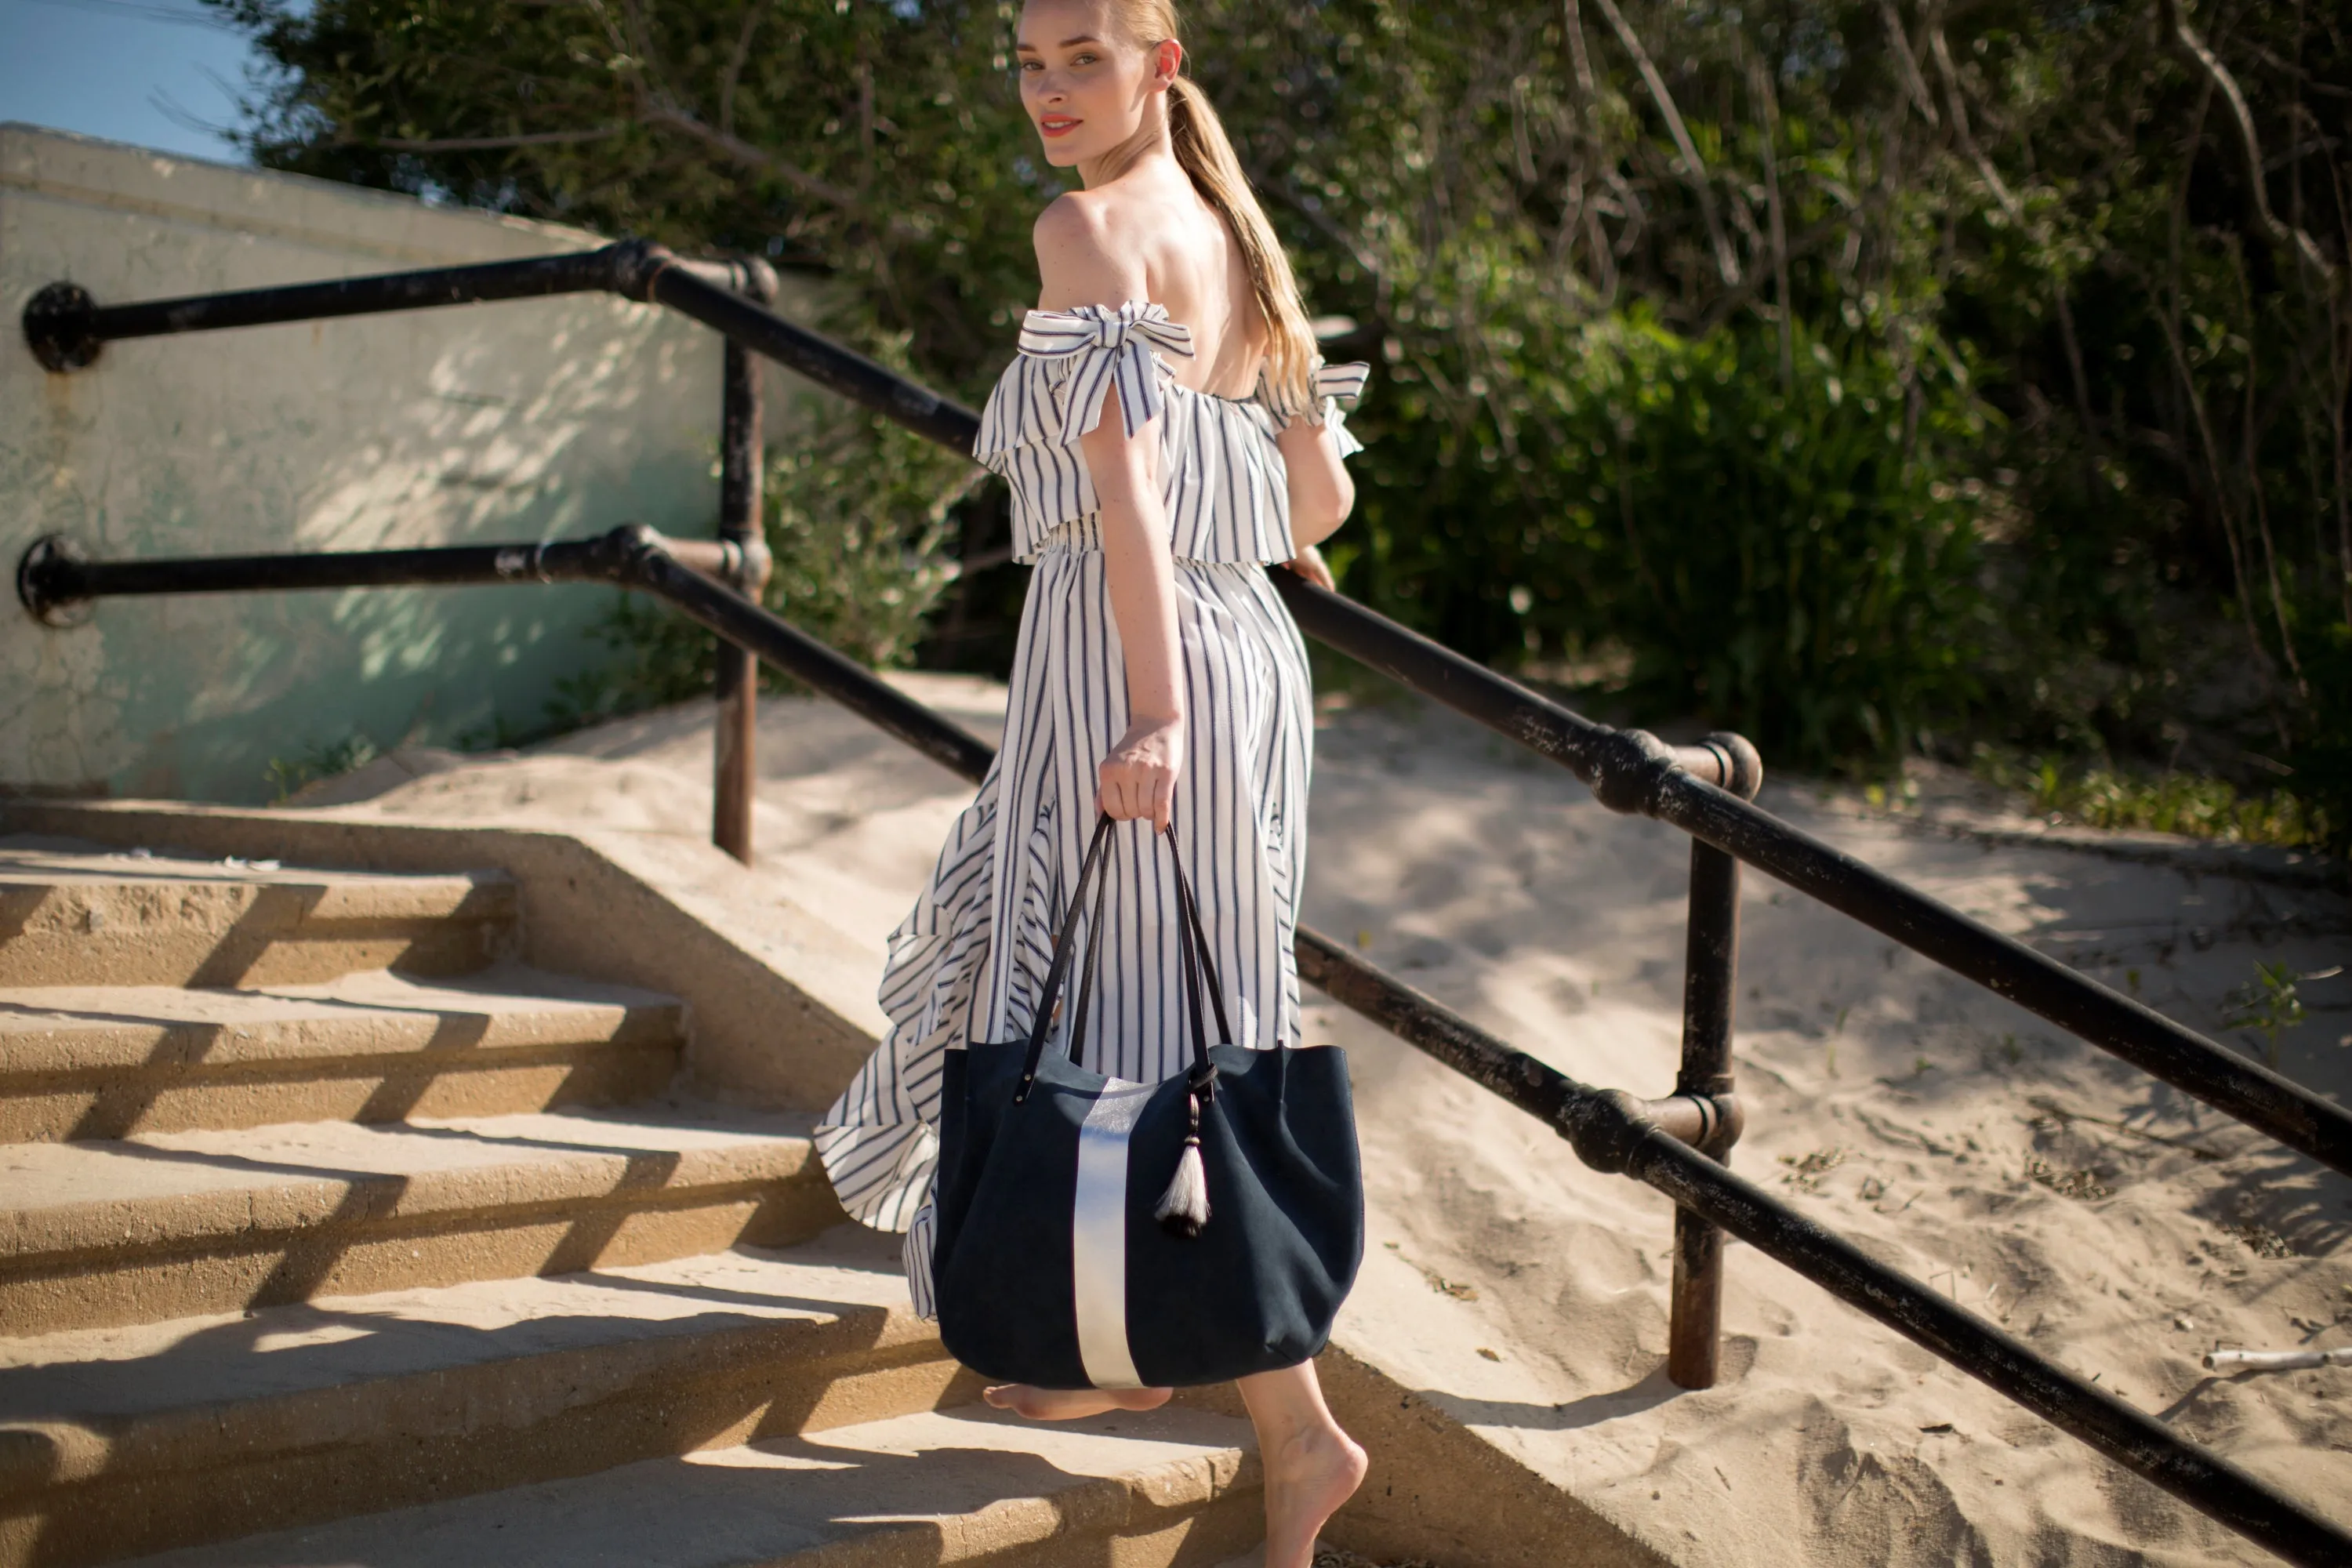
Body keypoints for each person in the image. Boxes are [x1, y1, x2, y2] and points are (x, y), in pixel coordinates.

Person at [815, 0, 1370, 1559]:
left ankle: (1169, 1376)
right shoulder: (1236, 241)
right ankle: (1202, 1390)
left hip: (1133, 671)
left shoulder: (1082, 230)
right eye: (1029, 60)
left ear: (1159, 63)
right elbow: (1315, 495)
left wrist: (1152, 712)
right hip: (1247, 655)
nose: (1050, 91)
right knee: (1188, 1022)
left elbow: (1124, 493)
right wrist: (1219, 580)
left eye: (1083, 56)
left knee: (1100, 1004)